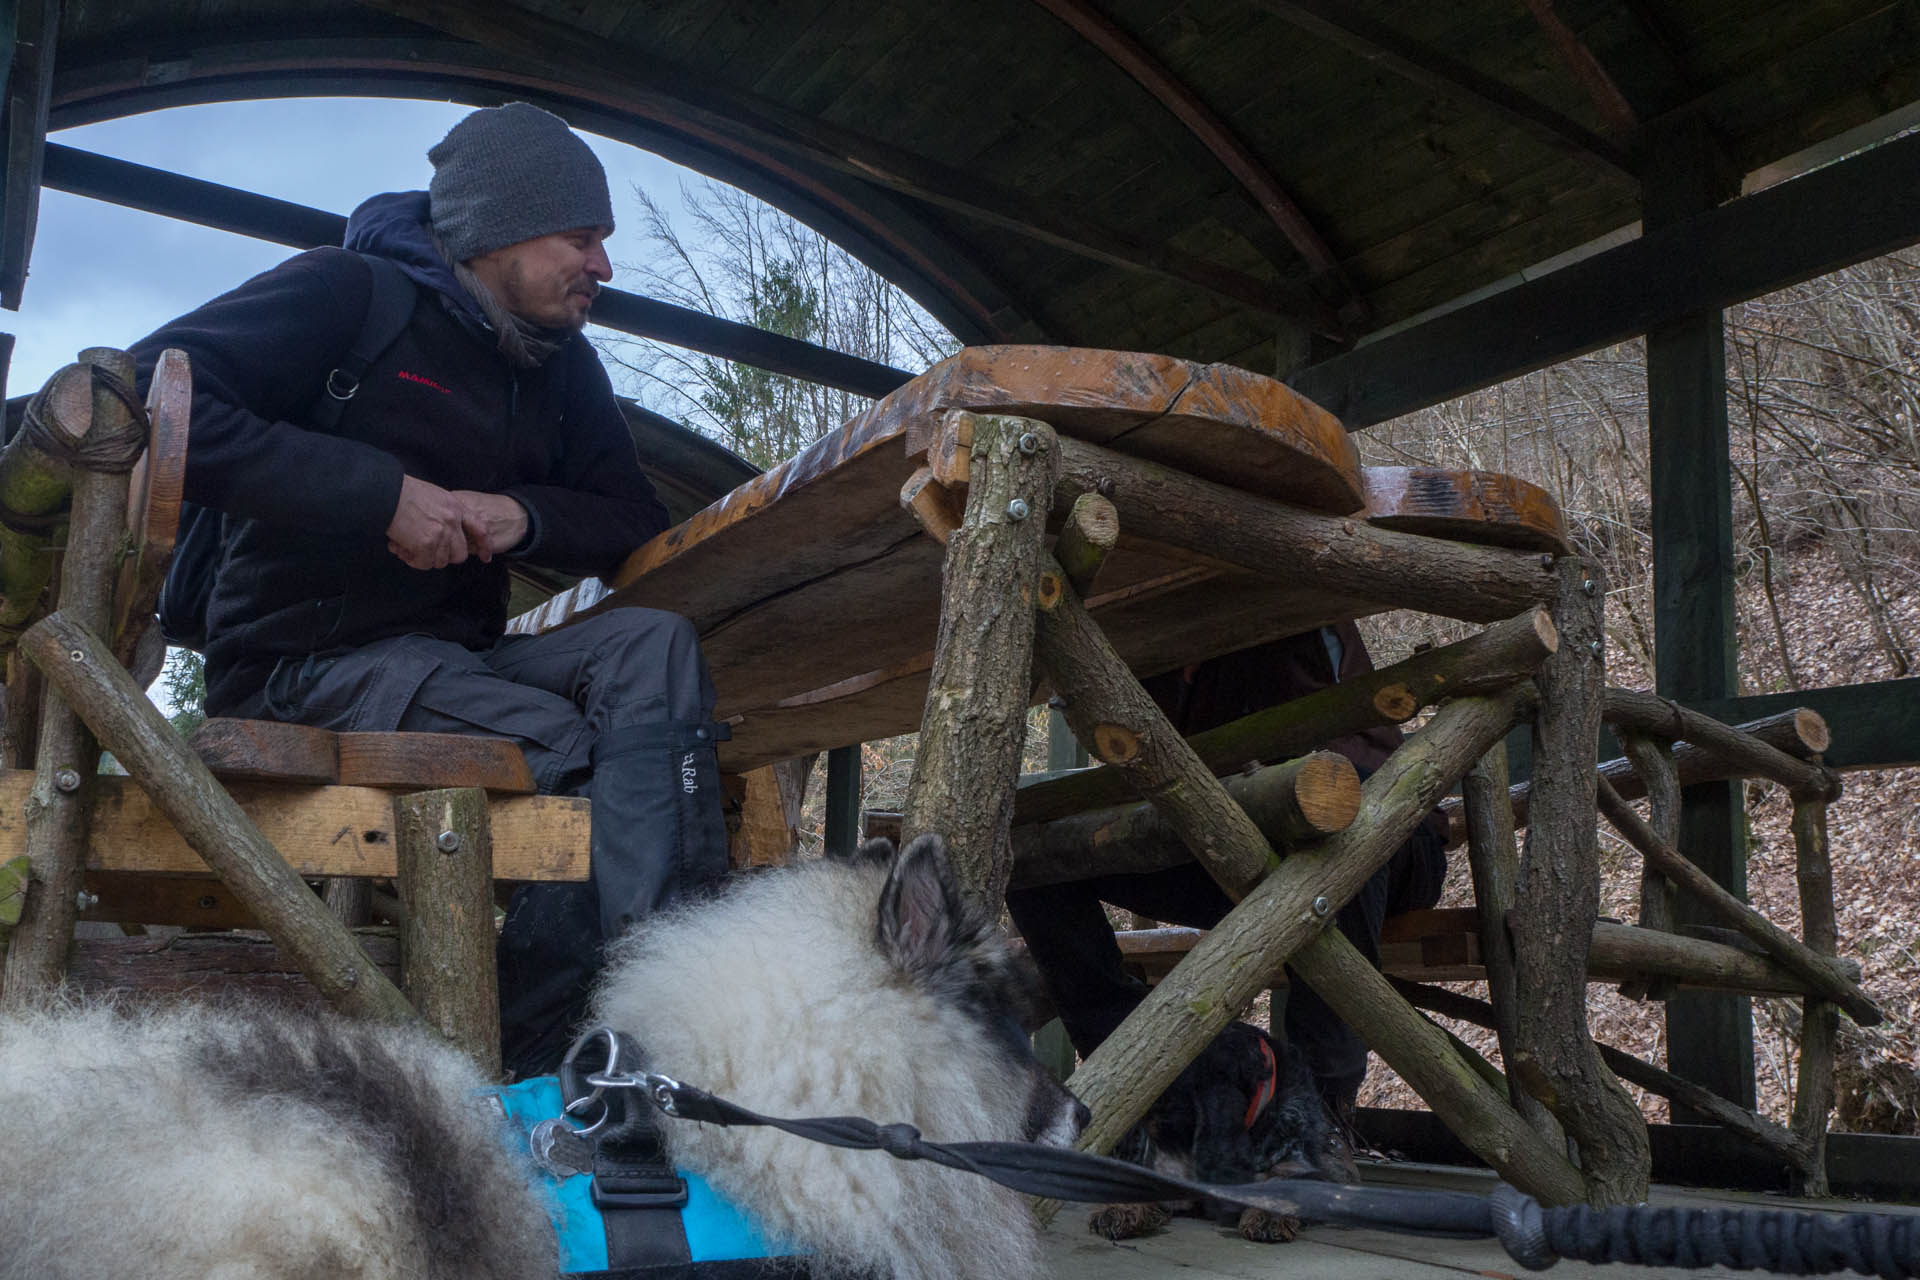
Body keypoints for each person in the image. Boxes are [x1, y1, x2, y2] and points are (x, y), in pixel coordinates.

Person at [128, 103, 731, 1077]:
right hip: (301, 663)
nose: (605, 268)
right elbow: (145, 392)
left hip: (452, 657)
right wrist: (380, 496)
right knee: (588, 759)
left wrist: (516, 516)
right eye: (582, 238)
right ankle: (527, 1056)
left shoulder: (559, 366)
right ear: (499, 229)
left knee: (652, 644)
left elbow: (629, 516)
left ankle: (655, 986)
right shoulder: (346, 295)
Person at [1007, 621, 1450, 1129]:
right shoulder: (1126, 654)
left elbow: (1335, 775)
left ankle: (1320, 1114)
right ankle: (1138, 1076)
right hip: (1235, 856)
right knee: (1032, 860)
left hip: (1390, 843)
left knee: (1337, 811)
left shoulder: (1285, 606)